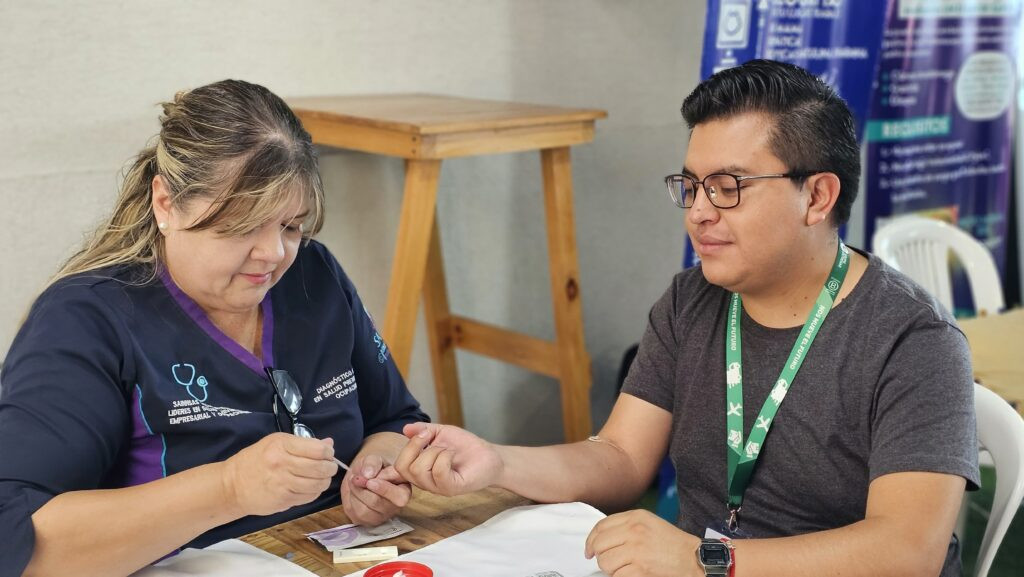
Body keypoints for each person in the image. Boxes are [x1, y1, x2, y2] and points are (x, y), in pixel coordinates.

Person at [390, 60, 979, 577]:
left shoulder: (914, 339)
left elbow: (908, 551)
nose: (699, 213)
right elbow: (620, 457)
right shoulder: (690, 301)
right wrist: (498, 461)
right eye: (692, 187)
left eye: (727, 188)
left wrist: (706, 560)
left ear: (818, 197)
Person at [0, 80, 429, 577]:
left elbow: (395, 418)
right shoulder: (85, 321)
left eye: (291, 226)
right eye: (243, 225)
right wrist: (228, 488)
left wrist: (378, 470)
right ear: (166, 204)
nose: (273, 254)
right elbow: (14, 533)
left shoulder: (315, 277)